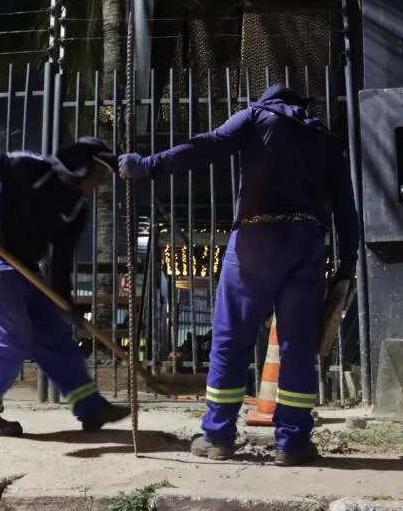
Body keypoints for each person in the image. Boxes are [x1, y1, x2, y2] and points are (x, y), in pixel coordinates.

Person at [118, 84, 359, 467]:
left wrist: (147, 166)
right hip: (307, 241)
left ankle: (218, 436)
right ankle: (292, 443)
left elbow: (206, 145)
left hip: (255, 239)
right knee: (298, 345)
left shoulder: (257, 116)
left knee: (231, 337)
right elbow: (347, 209)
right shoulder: (325, 138)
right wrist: (347, 263)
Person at [0, 137, 131, 437]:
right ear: (84, 168)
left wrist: (64, 301)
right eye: (99, 175)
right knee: (14, 337)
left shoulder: (75, 210)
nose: (100, 184)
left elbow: (60, 261)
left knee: (54, 333)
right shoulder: (29, 167)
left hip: (26, 273)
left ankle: (90, 405)